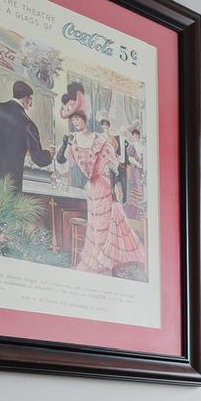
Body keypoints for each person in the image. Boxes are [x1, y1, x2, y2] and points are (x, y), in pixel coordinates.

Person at [58, 110, 145, 276]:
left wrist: (111, 178)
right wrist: (63, 146)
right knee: (95, 226)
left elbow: (112, 164)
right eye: (73, 119)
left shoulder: (99, 139)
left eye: (78, 118)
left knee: (104, 225)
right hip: (92, 190)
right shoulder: (74, 140)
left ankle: (105, 263)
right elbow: (64, 163)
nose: (76, 122)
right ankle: (97, 261)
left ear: (85, 119)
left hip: (104, 186)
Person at [0, 81, 52, 193]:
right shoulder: (28, 124)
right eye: (31, 99)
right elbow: (38, 159)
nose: (31, 103)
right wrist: (50, 153)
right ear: (26, 98)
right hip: (12, 180)